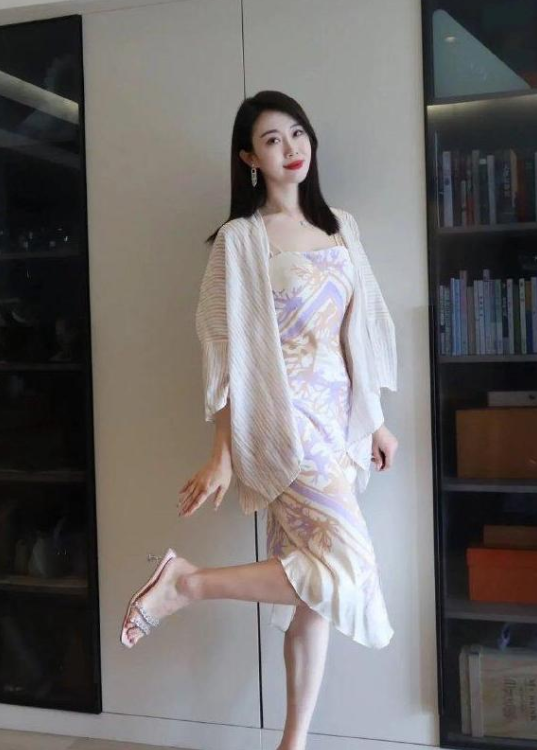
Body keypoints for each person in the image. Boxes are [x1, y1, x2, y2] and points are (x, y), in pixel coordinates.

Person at [120, 90, 399, 750]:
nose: (291, 149)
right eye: (273, 140)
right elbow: (224, 347)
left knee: (315, 595)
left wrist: (376, 422)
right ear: (250, 158)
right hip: (287, 426)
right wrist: (223, 451)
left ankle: (291, 743)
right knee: (347, 573)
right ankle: (187, 583)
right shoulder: (241, 240)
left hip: (341, 427)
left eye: (297, 133)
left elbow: (361, 334)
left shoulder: (343, 227)